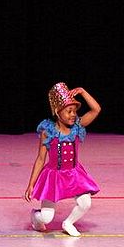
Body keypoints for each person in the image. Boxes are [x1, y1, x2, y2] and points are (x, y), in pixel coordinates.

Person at [24, 82, 101, 237]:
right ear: (58, 112)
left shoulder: (77, 127)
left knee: (85, 202)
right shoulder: (48, 132)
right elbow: (40, 159)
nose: (73, 114)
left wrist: (83, 91)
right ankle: (36, 217)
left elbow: (96, 109)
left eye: (75, 111)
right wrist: (31, 184)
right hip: (53, 176)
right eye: (69, 111)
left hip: (74, 174)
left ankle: (68, 223)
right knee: (46, 217)